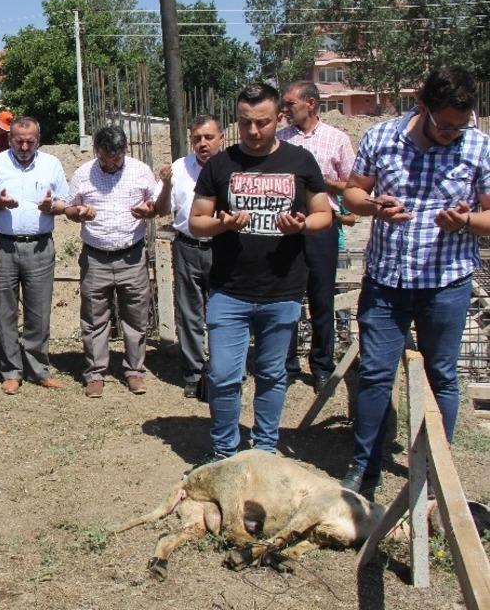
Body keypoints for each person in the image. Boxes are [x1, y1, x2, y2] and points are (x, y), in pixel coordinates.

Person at [341, 66, 489, 498]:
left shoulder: (478, 148)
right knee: (375, 375)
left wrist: (465, 221)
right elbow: (351, 192)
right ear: (422, 107)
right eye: (444, 125)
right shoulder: (381, 138)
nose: (452, 134)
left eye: (460, 126)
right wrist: (373, 206)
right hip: (386, 282)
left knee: (442, 375)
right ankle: (364, 467)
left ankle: (434, 468)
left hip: (447, 283)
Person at [189, 83, 331, 464]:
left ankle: (265, 450)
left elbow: (324, 214)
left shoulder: (300, 161)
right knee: (222, 376)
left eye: (263, 123)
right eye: (246, 123)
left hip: (282, 289)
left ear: (278, 118)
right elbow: (196, 221)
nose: (254, 132)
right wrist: (222, 224)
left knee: (271, 375)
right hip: (229, 290)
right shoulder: (221, 164)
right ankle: (224, 451)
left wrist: (300, 226)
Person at [66, 125, 167, 397]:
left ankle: (134, 370)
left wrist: (149, 210)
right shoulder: (83, 174)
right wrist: (79, 213)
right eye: (105, 158)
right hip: (95, 256)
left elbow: (157, 205)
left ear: (125, 151)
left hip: (132, 255)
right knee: (94, 318)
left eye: (117, 158)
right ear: (97, 151)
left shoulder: (140, 171)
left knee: (136, 315)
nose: (111, 163)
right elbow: (68, 208)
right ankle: (96, 373)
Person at [278, 81, 356, 393]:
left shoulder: (336, 139)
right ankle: (285, 364)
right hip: (287, 228)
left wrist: (325, 184)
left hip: (322, 228)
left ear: (310, 103)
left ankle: (322, 365)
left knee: (322, 298)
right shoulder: (280, 140)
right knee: (285, 297)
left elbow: (354, 185)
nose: (284, 109)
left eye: (290, 103)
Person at [0, 116, 71, 394]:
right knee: (4, 311)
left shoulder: (51, 164)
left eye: (29, 142)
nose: (24, 146)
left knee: (39, 311)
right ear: (10, 140)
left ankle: (39, 369)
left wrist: (51, 206)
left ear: (38, 140)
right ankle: (11, 370)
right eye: (19, 141)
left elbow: (65, 202)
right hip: (2, 246)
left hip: (39, 246)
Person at [158, 115, 224, 399]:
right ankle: (194, 374)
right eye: (197, 138)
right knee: (189, 314)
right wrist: (166, 185)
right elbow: (162, 210)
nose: (203, 143)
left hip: (224, 248)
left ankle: (223, 371)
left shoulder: (233, 167)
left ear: (221, 137)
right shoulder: (178, 168)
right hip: (187, 247)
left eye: (208, 137)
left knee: (225, 313)